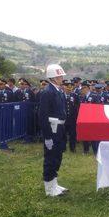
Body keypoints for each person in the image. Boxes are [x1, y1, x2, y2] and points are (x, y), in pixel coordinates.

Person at [39, 64, 69, 197]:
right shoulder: (47, 92)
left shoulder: (59, 90)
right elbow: (42, 115)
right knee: (51, 158)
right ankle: (49, 188)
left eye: (61, 75)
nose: (61, 78)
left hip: (60, 128)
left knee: (57, 157)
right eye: (59, 76)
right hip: (52, 128)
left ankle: (54, 184)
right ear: (52, 77)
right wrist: (47, 137)